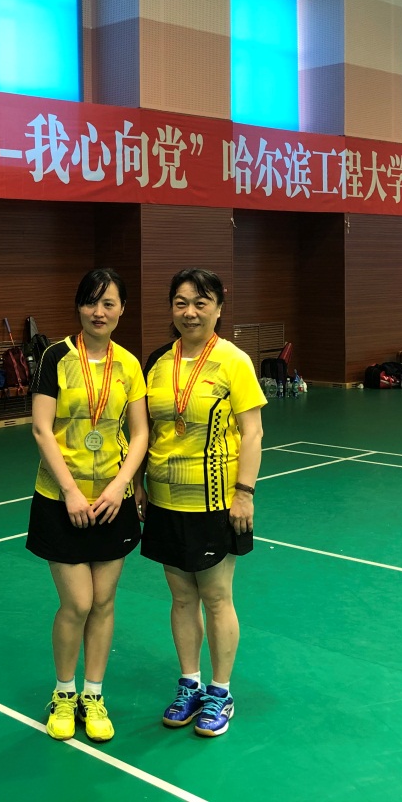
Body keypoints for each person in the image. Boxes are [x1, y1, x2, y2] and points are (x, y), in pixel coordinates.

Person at [138, 268, 265, 738]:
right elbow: (147, 429)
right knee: (181, 597)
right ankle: (189, 684)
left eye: (200, 302)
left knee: (215, 597)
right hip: (165, 500)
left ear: (218, 307)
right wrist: (140, 485)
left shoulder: (233, 361)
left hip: (216, 501)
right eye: (181, 303)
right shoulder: (158, 361)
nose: (190, 312)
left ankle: (220, 692)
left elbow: (253, 432)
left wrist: (244, 493)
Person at [26, 268, 149, 743]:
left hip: (112, 501)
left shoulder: (129, 364)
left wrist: (121, 486)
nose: (99, 312)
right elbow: (42, 428)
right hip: (61, 498)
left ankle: (93, 695)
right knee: (77, 602)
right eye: (91, 302)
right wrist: (71, 491)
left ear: (122, 310)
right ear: (78, 306)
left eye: (109, 303)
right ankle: (63, 693)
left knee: (103, 602)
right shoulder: (56, 356)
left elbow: (139, 432)